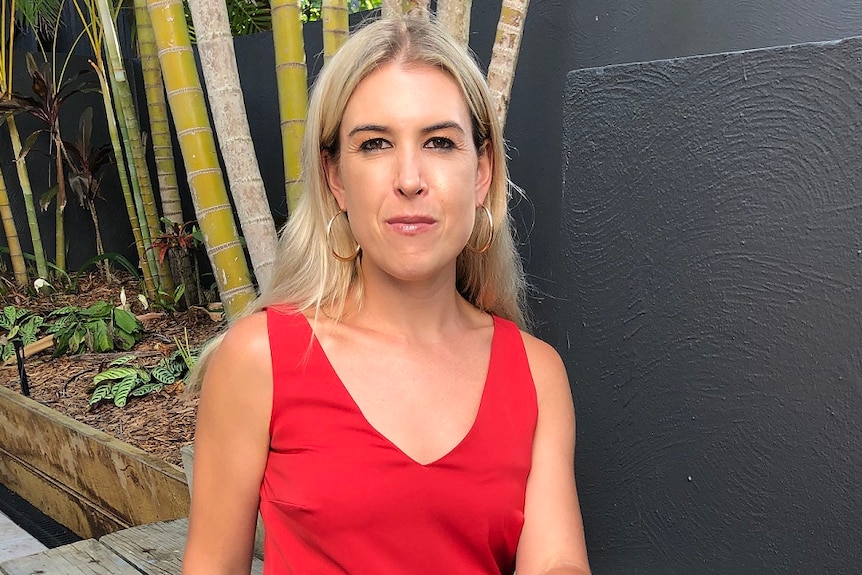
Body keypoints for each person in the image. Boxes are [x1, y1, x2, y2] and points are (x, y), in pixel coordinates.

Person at [181, 15, 591, 575]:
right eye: (375, 144)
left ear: (481, 172)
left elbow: (557, 563)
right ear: (334, 179)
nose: (409, 178)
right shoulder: (261, 359)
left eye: (440, 142)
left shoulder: (537, 376)